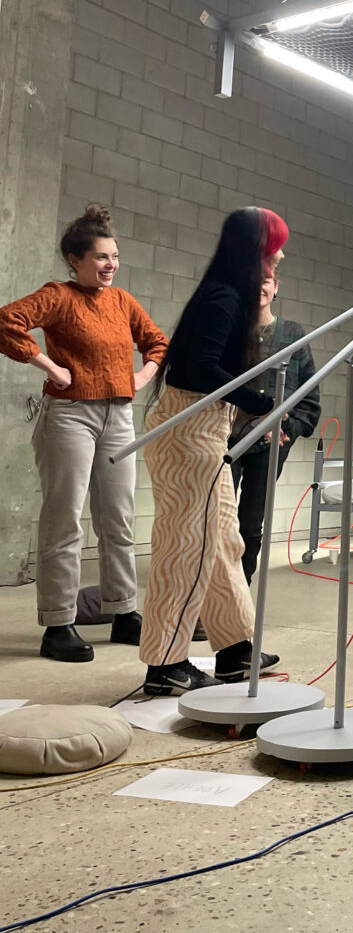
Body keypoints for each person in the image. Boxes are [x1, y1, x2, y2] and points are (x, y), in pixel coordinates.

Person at [0, 204, 168, 662]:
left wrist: (144, 374)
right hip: (69, 417)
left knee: (118, 518)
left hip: (119, 418)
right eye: (101, 257)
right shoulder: (58, 295)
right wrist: (49, 365)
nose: (110, 264)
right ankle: (58, 624)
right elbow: (6, 321)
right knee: (65, 520)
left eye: (114, 256)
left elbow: (157, 341)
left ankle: (124, 612)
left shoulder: (122, 301)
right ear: (76, 259)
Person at [138, 207, 288, 696]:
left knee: (223, 543)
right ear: (255, 252)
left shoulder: (232, 296)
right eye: (274, 249)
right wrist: (263, 405)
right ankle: (165, 664)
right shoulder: (223, 297)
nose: (280, 257)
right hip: (188, 432)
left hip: (208, 430)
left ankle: (234, 649)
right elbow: (196, 369)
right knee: (188, 549)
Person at [229, 270, 320, 586]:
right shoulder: (228, 332)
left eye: (265, 281)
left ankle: (239, 594)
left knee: (251, 522)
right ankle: (211, 595)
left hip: (270, 445)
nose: (259, 287)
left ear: (276, 286)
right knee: (217, 521)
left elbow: (310, 398)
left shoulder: (294, 335)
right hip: (225, 439)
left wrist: (289, 428)